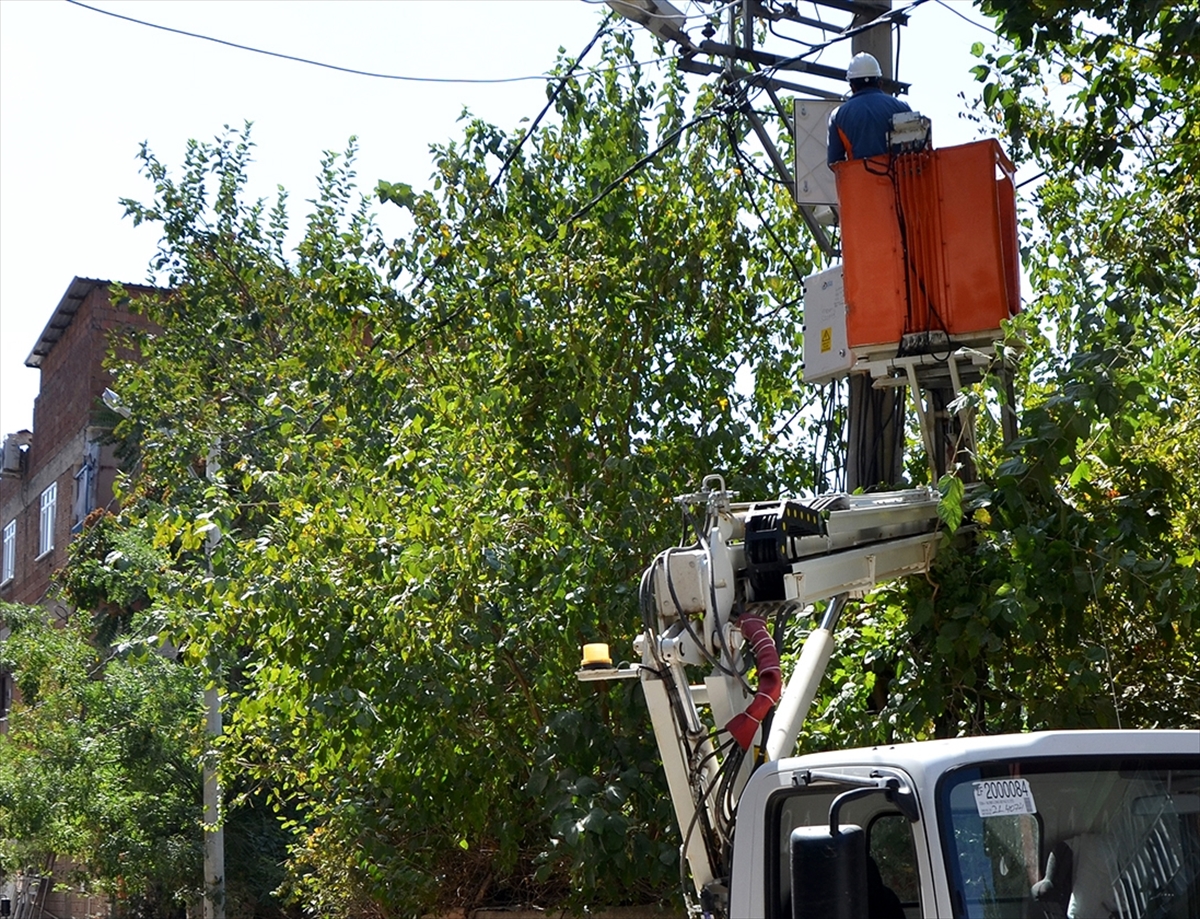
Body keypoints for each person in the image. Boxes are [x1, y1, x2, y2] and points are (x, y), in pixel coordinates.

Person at [827, 52, 912, 166]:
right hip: (899, 182)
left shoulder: (837, 116)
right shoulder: (902, 107)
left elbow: (835, 163)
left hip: (861, 182)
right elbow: (915, 151)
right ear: (880, 83)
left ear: (852, 86)